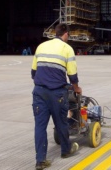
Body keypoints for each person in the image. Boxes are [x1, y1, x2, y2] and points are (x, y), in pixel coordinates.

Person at [31, 23, 82, 170]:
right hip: (57, 93)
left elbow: (33, 73)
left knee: (40, 127)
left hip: (39, 92)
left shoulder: (41, 46)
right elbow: (72, 75)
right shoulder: (67, 49)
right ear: (66, 34)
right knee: (61, 123)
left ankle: (40, 161)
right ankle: (66, 151)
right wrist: (77, 88)